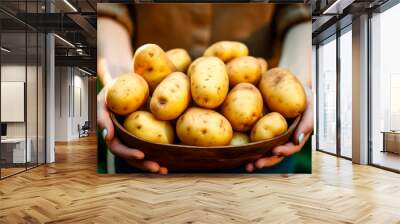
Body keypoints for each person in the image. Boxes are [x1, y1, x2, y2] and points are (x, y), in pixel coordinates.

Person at [97, 3, 313, 174]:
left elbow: (299, 10)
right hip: (147, 151)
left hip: (263, 151)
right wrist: (117, 81)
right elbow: (111, 7)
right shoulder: (176, 81)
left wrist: (299, 82)